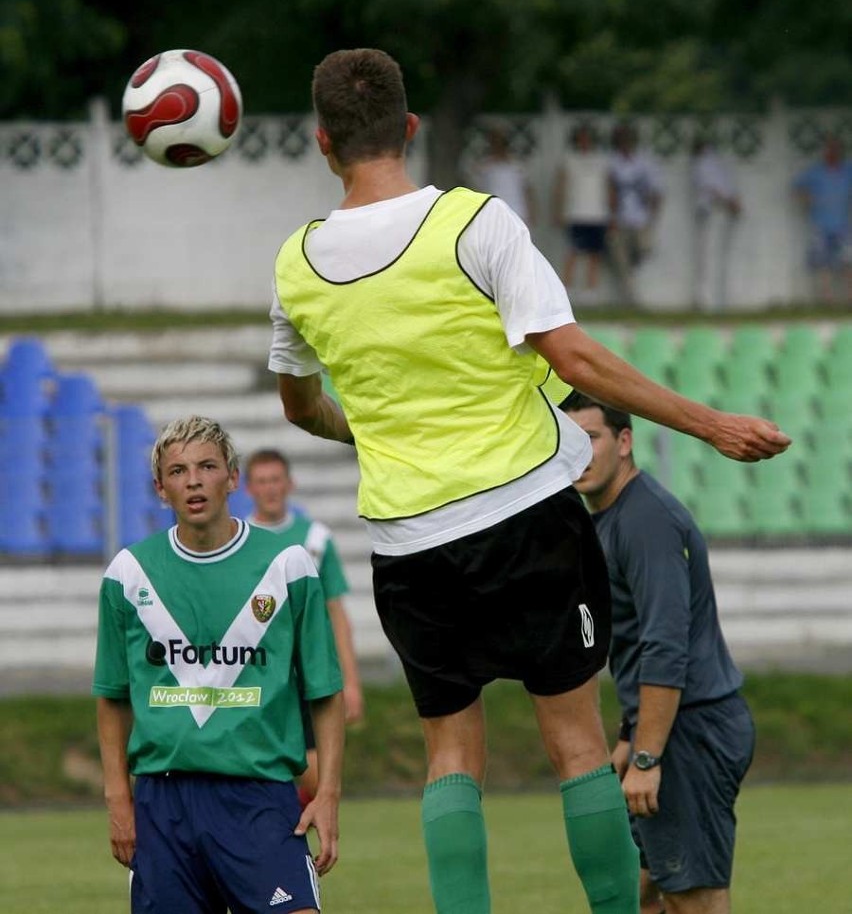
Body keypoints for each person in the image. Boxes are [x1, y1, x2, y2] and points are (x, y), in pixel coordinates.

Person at [267, 48, 789, 914]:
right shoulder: (477, 224)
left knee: (450, 757)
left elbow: (301, 406)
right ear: (410, 128)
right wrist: (714, 423)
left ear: (322, 143)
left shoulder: (296, 264)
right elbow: (573, 356)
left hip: (409, 544)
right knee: (578, 745)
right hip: (524, 517)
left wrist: (374, 431)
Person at [93, 416, 344, 914]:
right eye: (179, 470)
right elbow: (112, 696)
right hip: (164, 803)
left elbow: (325, 690)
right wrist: (118, 799)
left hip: (259, 797)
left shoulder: (288, 565)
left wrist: (329, 793)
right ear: (160, 488)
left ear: (232, 477)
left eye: (207, 466)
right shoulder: (128, 573)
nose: (193, 480)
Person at [561, 391, 755, 914]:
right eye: (570, 440)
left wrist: (647, 757)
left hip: (689, 729)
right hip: (660, 727)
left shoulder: (645, 520)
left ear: (625, 442)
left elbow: (666, 644)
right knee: (642, 889)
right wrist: (629, 737)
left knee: (694, 897)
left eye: (593, 438)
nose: (581, 453)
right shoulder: (607, 517)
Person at [243, 446, 364, 804]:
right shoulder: (238, 540)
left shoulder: (316, 539)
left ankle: (294, 833)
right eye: (262, 481)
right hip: (259, 673)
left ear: (289, 483)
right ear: (248, 488)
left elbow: (336, 615)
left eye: (276, 480)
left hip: (306, 672)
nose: (270, 488)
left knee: (314, 768)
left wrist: (352, 683)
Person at [607, 124, 664, 305]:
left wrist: (651, 216)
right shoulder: (613, 162)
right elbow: (610, 192)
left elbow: (656, 191)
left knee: (644, 249)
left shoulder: (643, 162)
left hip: (640, 219)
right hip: (621, 218)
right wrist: (611, 218)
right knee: (621, 261)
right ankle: (631, 299)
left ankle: (634, 271)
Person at [792, 134, 852, 305]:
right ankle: (827, 300)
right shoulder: (815, 172)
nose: (832, 152)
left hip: (843, 225)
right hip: (820, 225)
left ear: (840, 151)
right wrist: (807, 200)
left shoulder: (848, 170)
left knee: (848, 261)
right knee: (822, 263)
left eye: (835, 149)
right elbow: (796, 187)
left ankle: (850, 298)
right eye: (829, 149)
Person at [551, 123, 610, 291]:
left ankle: (591, 290)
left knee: (595, 255)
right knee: (573, 252)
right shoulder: (569, 158)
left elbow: (608, 186)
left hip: (598, 214)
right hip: (576, 213)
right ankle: (566, 290)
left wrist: (611, 213)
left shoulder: (601, 159)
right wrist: (558, 211)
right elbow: (560, 187)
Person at [690, 134, 741, 312]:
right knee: (709, 258)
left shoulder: (710, 163)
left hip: (717, 212)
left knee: (712, 258)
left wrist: (731, 202)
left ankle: (714, 301)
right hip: (712, 211)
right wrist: (730, 202)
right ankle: (707, 302)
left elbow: (718, 187)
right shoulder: (705, 164)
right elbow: (713, 188)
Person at [467, 124, 536, 226]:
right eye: (495, 142)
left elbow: (527, 189)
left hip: (517, 212)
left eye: (501, 141)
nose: (498, 145)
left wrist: (532, 211)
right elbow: (475, 189)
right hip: (492, 212)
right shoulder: (483, 166)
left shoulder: (517, 165)